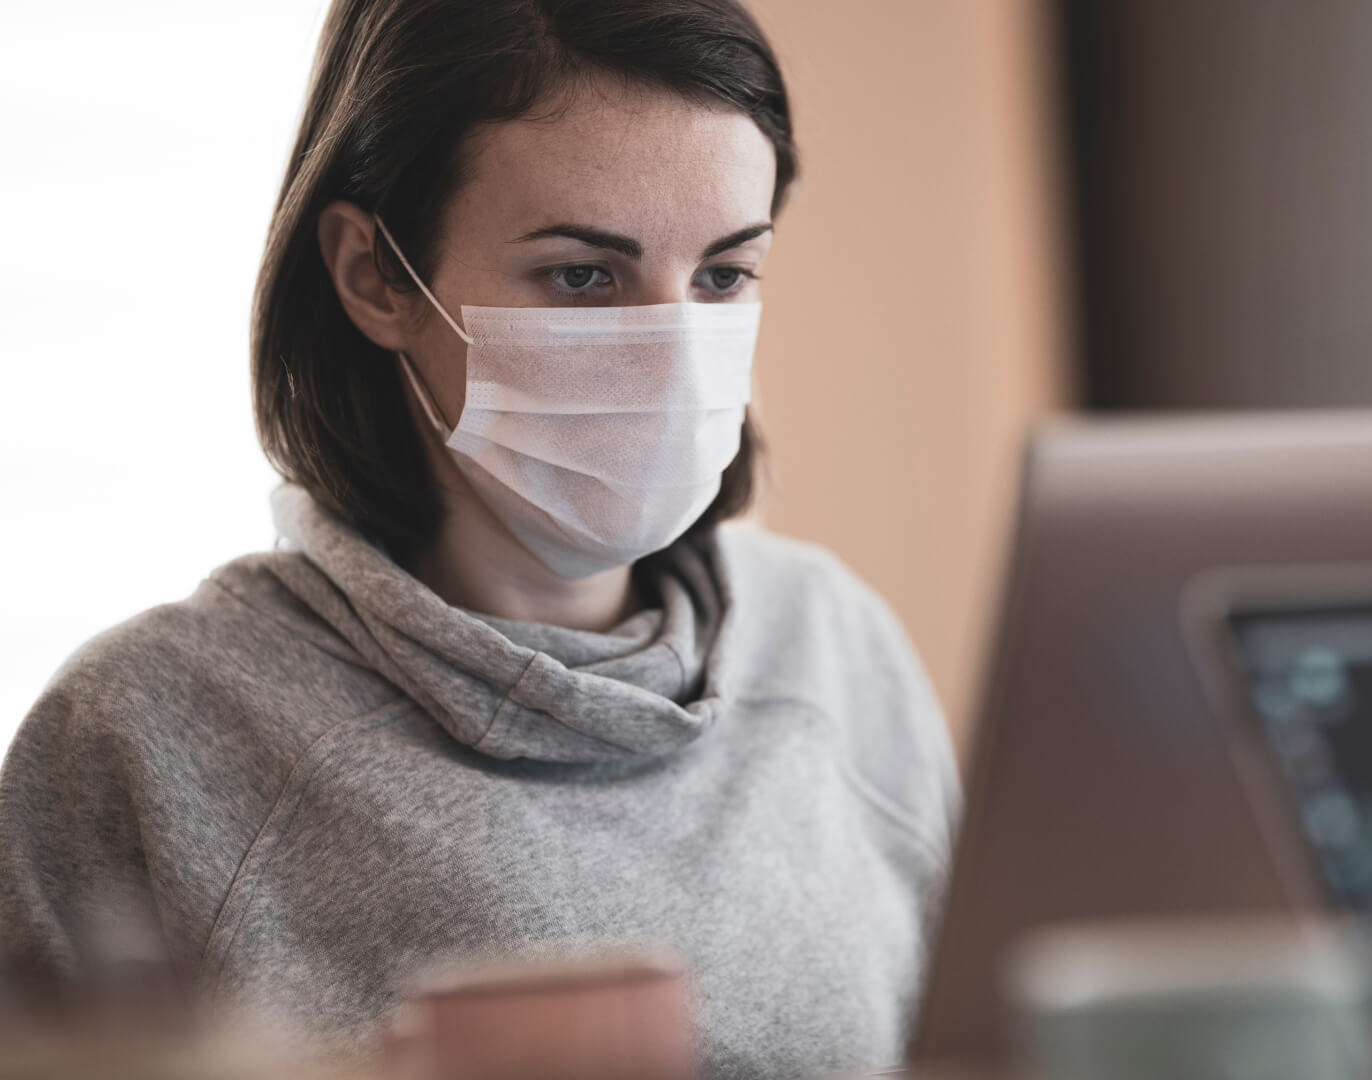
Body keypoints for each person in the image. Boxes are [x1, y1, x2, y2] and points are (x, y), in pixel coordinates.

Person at [0, 1, 959, 1076]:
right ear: (373, 275)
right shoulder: (143, 734)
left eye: (723, 275)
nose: (674, 359)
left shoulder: (836, 648)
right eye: (583, 276)